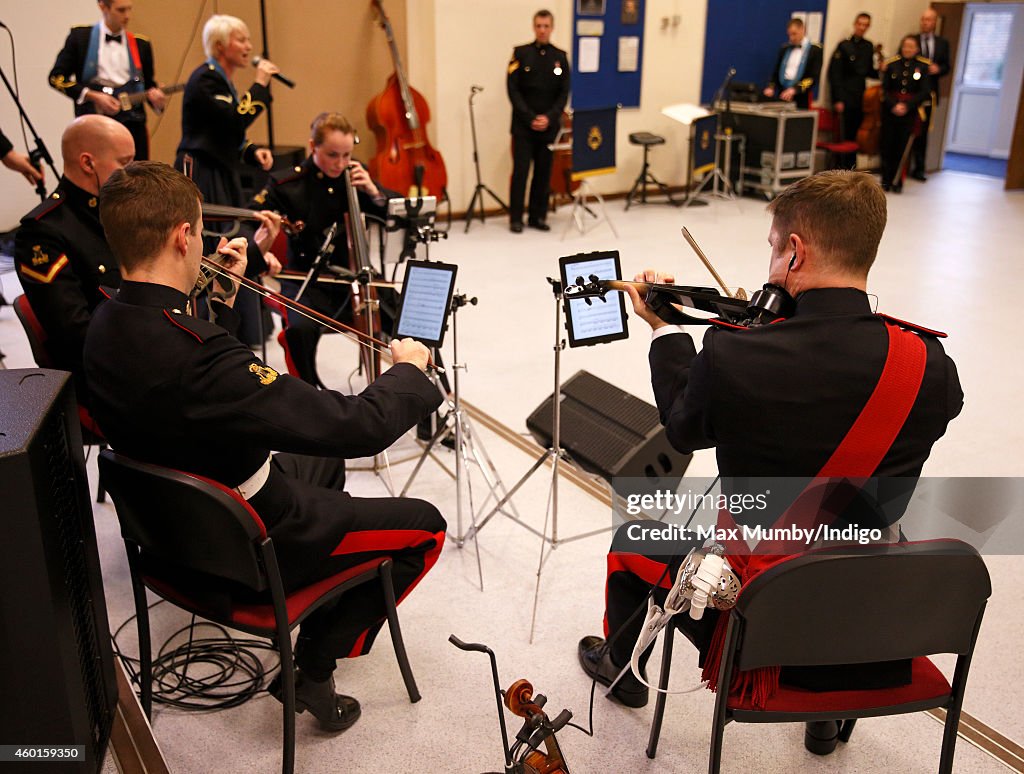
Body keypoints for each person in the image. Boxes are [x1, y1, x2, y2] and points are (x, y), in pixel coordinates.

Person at [578, 171, 962, 754]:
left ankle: (621, 671)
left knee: (630, 542)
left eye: (773, 247)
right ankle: (825, 721)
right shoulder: (930, 365)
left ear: (795, 251)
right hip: (870, 618)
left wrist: (664, 331)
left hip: (763, 623)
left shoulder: (735, 356)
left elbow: (685, 428)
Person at [85, 160, 446, 733]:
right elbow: (357, 425)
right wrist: (408, 373)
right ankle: (314, 665)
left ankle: (328, 577)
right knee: (425, 525)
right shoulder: (208, 361)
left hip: (166, 527)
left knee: (319, 459)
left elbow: (176, 368)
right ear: (184, 236)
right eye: (199, 232)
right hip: (248, 537)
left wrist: (217, 294)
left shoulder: (104, 318)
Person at [249, 112, 392, 387]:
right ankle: (311, 395)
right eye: (332, 155)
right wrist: (263, 249)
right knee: (299, 330)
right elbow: (250, 217)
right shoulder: (287, 184)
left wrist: (375, 192)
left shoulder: (355, 174)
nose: (341, 164)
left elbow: (392, 213)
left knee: (412, 317)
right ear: (313, 146)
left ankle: (431, 394)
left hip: (357, 277)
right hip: (307, 279)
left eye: (347, 155)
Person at [14, 115, 134, 421]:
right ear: (88, 163)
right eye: (124, 162)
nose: (132, 172)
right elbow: (75, 333)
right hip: (103, 376)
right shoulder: (43, 232)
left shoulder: (116, 211)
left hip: (139, 350)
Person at [175, 14, 282, 346]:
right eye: (242, 39)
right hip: (202, 173)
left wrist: (252, 153)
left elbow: (225, 134)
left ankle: (244, 325)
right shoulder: (204, 79)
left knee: (233, 239)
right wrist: (261, 84)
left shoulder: (223, 80)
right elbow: (233, 122)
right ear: (220, 45)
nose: (249, 47)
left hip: (221, 168)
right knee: (214, 243)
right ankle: (210, 326)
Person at [48, 0, 166, 160]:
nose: (127, 16)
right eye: (121, 10)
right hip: (94, 122)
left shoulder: (141, 44)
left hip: (133, 125)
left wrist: (158, 102)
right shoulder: (80, 38)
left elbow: (148, 84)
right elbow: (56, 78)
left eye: (129, 10)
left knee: (137, 179)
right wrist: (93, 96)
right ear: (103, 6)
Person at [507, 9, 570, 233]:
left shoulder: (560, 57)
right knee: (521, 172)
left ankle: (537, 216)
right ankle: (516, 218)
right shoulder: (520, 54)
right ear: (534, 27)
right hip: (524, 126)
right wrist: (530, 117)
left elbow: (564, 93)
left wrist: (549, 117)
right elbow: (513, 89)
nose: (542, 30)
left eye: (546, 26)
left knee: (543, 174)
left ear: (552, 28)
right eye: (538, 26)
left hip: (548, 126)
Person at [827, 13, 877, 168]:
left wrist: (881, 68)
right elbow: (835, 74)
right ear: (855, 24)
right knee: (843, 136)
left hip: (860, 98)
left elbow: (868, 71)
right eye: (860, 24)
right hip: (845, 96)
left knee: (855, 139)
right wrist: (838, 99)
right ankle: (840, 170)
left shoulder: (869, 46)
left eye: (865, 25)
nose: (862, 27)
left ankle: (852, 170)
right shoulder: (844, 45)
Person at [880, 37, 930, 193]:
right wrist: (894, 105)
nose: (907, 49)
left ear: (917, 49)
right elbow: (885, 90)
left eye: (911, 47)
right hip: (890, 111)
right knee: (887, 145)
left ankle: (897, 180)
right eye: (905, 46)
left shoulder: (922, 66)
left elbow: (923, 91)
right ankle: (886, 180)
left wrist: (907, 106)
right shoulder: (892, 64)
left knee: (902, 147)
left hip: (909, 112)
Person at [911, 8, 951, 181]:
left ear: (935, 22)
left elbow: (947, 66)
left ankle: (919, 168)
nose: (925, 23)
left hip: (930, 94)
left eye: (929, 20)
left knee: (924, 133)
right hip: (913, 93)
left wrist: (938, 69)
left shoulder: (942, 43)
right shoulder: (912, 40)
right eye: (923, 19)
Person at [763, 18, 823, 109]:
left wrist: (795, 89)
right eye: (789, 35)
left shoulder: (815, 50)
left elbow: (813, 78)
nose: (791, 38)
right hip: (782, 94)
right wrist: (770, 87)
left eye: (794, 34)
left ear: (803, 29)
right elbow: (776, 72)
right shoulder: (785, 49)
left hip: (801, 96)